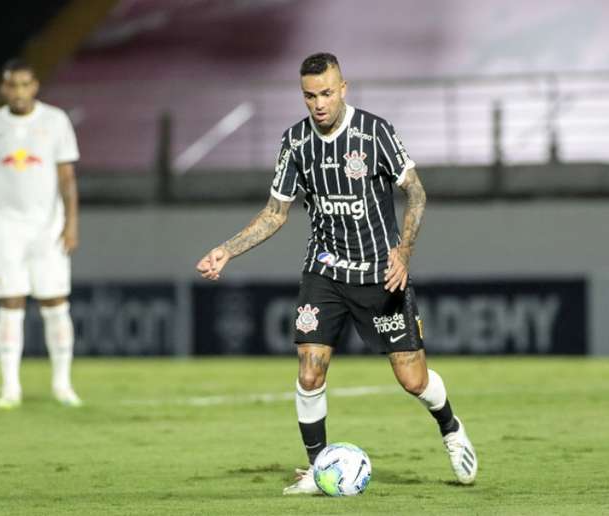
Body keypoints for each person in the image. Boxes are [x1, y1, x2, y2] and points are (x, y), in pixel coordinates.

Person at [196, 52, 477, 493]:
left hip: (380, 275)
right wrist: (226, 250)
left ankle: (450, 426)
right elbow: (275, 214)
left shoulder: (374, 132)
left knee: (413, 380)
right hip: (324, 272)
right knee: (310, 371)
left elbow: (416, 193)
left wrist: (403, 252)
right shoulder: (295, 143)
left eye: (327, 93)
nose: (319, 103)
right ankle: (318, 468)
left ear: (343, 88)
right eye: (310, 96)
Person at [0, 59, 82, 409]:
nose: (19, 92)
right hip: (4, 225)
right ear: (4, 89)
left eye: (25, 85)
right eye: (12, 85)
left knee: (55, 302)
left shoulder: (55, 121)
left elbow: (67, 178)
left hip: (48, 225)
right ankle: (10, 388)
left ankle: (62, 385)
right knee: (10, 303)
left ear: (35, 86)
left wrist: (72, 222)